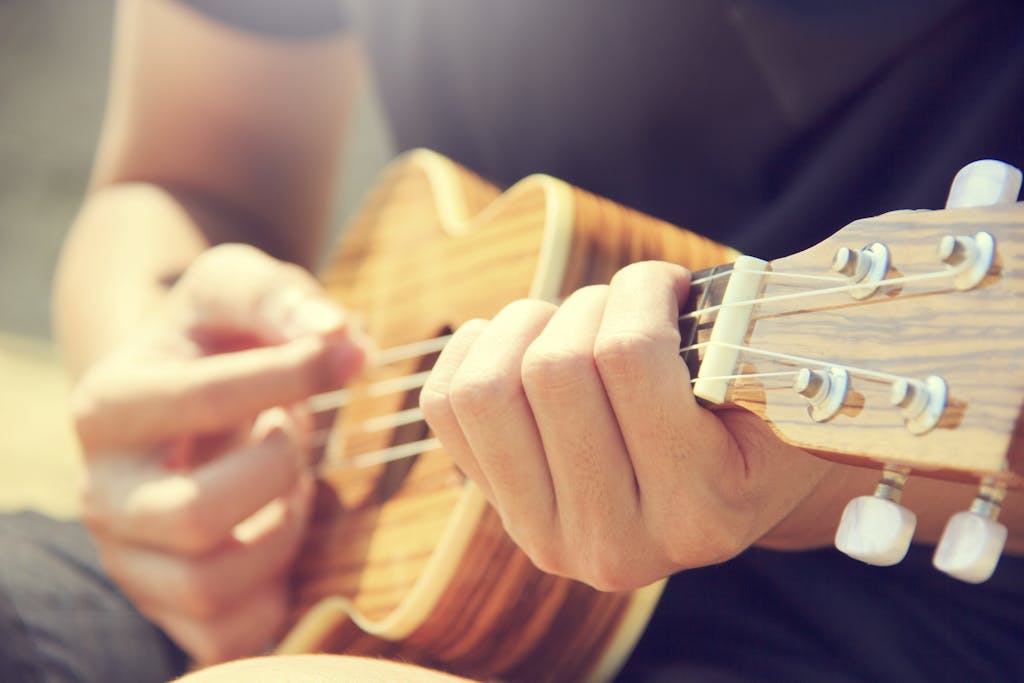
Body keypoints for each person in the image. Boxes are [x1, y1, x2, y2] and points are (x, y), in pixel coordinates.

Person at [3, 0, 1023, 681]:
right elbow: (190, 175)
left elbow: (983, 345)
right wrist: (164, 420)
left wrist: (799, 467)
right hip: (327, 560)